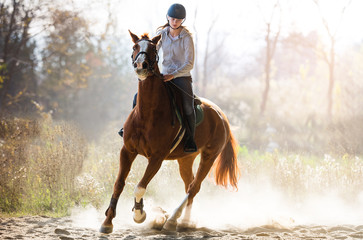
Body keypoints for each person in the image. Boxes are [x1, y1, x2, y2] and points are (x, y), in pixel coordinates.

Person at [157, 3, 197, 152]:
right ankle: (131, 128)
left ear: (182, 20)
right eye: (172, 18)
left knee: (188, 106)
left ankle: (190, 140)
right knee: (139, 96)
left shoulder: (187, 38)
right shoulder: (161, 34)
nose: (175, 22)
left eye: (178, 20)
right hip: (163, 75)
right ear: (167, 17)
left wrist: (173, 75)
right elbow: (154, 52)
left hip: (181, 77)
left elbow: (190, 64)